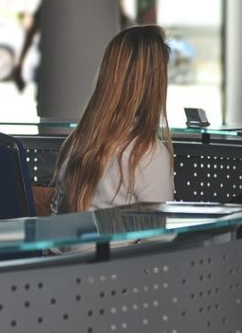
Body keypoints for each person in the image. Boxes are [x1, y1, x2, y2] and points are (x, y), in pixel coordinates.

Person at [51, 25, 174, 213]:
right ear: (155, 84)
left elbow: (55, 217)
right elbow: (159, 238)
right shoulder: (148, 155)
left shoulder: (76, 141)